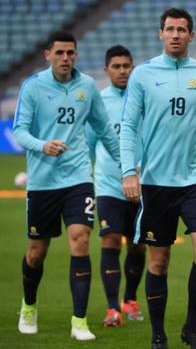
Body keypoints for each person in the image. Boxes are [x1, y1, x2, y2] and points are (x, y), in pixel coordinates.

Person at [120, 8, 196, 349]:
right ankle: (158, 335)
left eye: (182, 29)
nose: (175, 35)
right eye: (170, 29)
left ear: (192, 36)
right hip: (155, 182)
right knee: (159, 259)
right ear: (160, 34)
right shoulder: (143, 75)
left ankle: (190, 327)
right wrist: (129, 171)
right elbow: (128, 126)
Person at [13, 31, 120, 340]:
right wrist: (41, 145)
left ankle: (79, 321)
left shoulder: (87, 86)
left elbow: (104, 131)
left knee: (81, 239)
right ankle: (29, 306)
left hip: (77, 178)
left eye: (70, 53)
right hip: (43, 181)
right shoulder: (33, 87)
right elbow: (19, 131)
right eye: (59, 53)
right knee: (37, 251)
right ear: (48, 55)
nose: (65, 58)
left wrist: (127, 170)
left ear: (76, 55)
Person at [86, 45, 146, 327]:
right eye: (117, 66)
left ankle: (130, 299)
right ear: (107, 70)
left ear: (132, 68)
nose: (123, 71)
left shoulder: (144, 99)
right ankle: (113, 309)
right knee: (110, 240)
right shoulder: (98, 102)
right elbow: (88, 146)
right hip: (109, 185)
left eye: (127, 66)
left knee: (138, 247)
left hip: (143, 186)